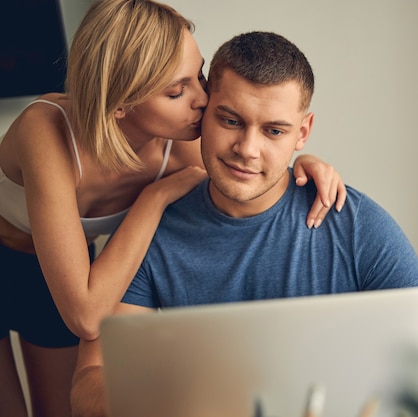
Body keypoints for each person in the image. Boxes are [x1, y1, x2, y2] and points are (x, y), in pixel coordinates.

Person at [70, 30, 418, 417]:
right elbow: (89, 388)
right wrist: (194, 399)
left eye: (274, 131)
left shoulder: (356, 225)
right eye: (230, 121)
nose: (247, 149)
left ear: (303, 133)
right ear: (203, 111)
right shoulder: (152, 232)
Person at [0, 1, 347, 416]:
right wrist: (155, 196)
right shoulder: (47, 130)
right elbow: (87, 316)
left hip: (56, 273)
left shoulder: (184, 149)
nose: (203, 99)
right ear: (120, 104)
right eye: (176, 91)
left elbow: (255, 175)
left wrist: (304, 168)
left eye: (198, 75)